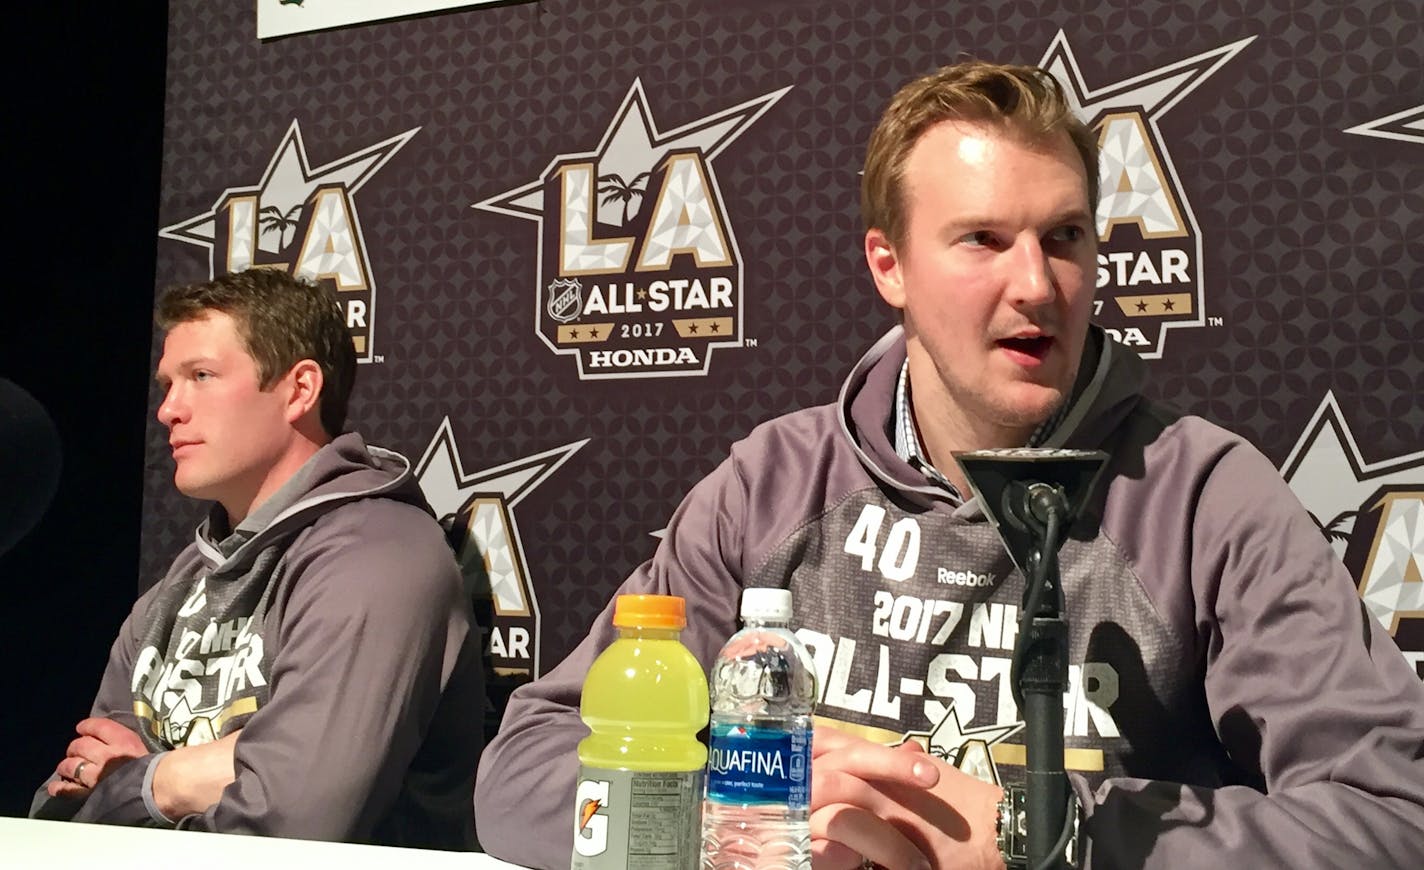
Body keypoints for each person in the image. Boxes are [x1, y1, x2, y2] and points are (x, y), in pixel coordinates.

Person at [472, 60, 1424, 869]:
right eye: (982, 240)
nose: (1037, 285)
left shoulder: (1204, 495)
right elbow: (528, 770)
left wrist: (1044, 834)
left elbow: (1393, 815)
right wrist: (734, 816)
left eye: (1065, 238)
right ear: (889, 266)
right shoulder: (772, 485)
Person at [31, 269, 484, 848]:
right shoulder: (179, 584)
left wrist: (159, 778)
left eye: (201, 376)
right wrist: (221, 766)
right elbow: (67, 804)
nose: (169, 409)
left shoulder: (381, 558)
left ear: (299, 390)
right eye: (167, 384)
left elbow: (296, 820)